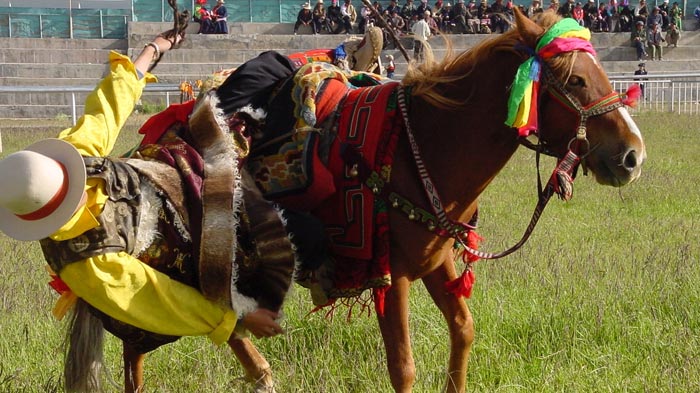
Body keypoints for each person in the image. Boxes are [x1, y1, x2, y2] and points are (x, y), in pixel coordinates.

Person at [0, 29, 285, 349]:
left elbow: (107, 107)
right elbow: (161, 298)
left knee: (269, 66)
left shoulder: (73, 158)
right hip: (181, 244)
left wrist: (153, 49)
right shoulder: (90, 267)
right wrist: (240, 319)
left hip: (176, 161)